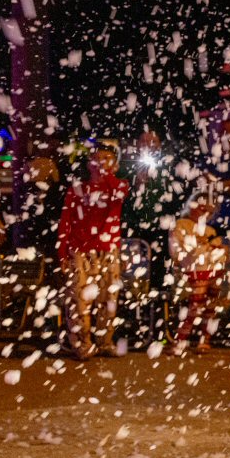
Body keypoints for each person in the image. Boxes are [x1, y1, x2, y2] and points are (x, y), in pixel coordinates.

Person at [57, 144, 131, 358]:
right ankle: (82, 343)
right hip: (80, 250)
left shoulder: (118, 185)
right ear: (89, 164)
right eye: (97, 158)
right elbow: (65, 221)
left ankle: (104, 341)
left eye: (107, 158)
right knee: (79, 299)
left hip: (108, 249)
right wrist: (62, 252)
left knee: (108, 299)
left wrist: (107, 174)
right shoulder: (77, 189)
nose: (101, 162)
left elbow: (118, 194)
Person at [168, 191, 230, 353]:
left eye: (209, 211)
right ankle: (180, 340)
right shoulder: (180, 225)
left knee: (211, 306)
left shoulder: (210, 230)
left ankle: (204, 338)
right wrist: (200, 247)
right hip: (193, 272)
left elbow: (220, 254)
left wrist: (218, 250)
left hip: (213, 271)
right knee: (195, 307)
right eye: (201, 208)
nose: (205, 213)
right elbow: (177, 252)